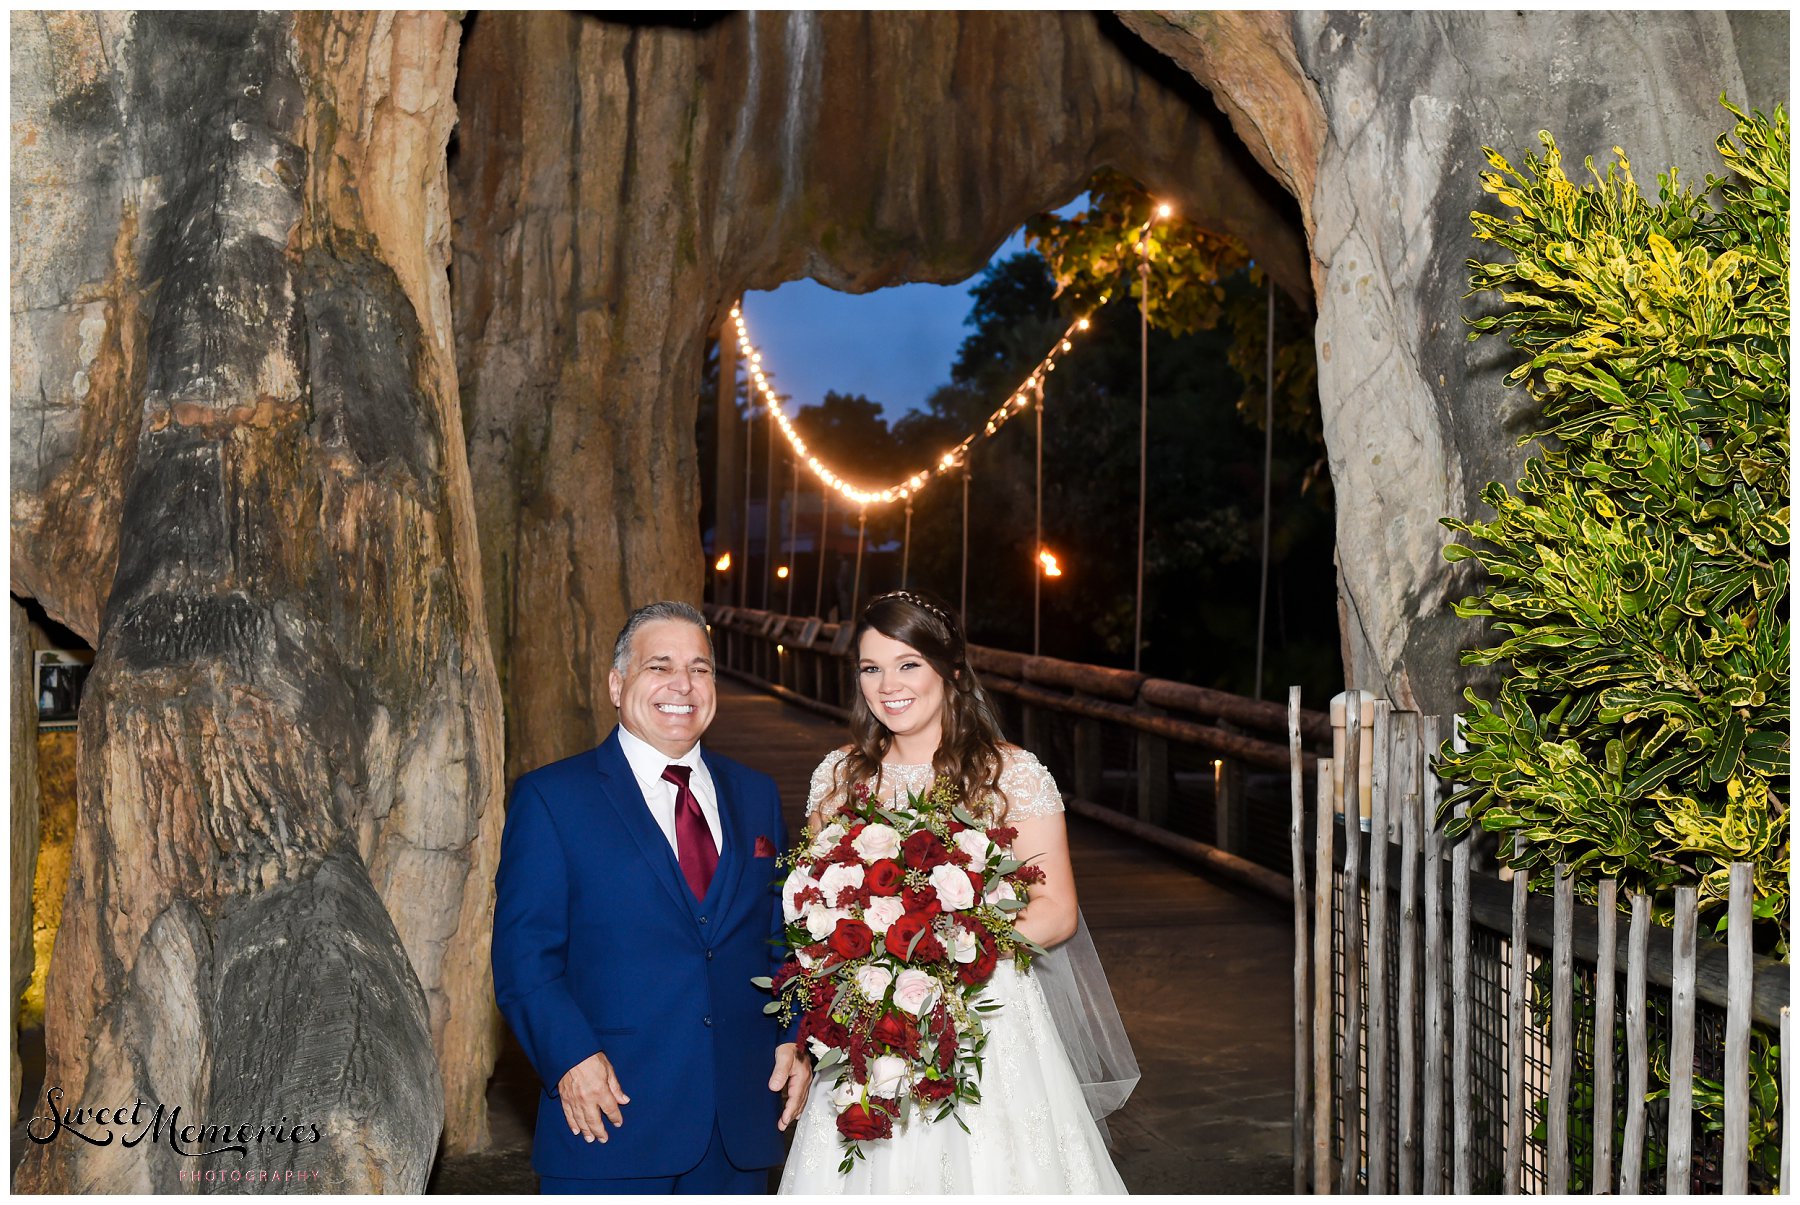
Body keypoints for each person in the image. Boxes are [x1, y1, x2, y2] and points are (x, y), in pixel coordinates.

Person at [778, 590, 1137, 1194]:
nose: (888, 684)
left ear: (949, 668)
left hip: (985, 1020)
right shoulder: (840, 778)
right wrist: (861, 956)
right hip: (872, 1023)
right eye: (871, 667)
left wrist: (945, 950)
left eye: (908, 663)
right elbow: (813, 904)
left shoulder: (1009, 775)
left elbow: (1057, 911)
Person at [493, 600, 811, 1194]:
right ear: (618, 685)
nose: (682, 686)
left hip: (738, 1125)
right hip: (608, 1117)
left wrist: (794, 1037)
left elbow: (782, 941)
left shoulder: (756, 794)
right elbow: (523, 960)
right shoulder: (551, 798)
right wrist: (569, 1060)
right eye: (658, 667)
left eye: (700, 668)